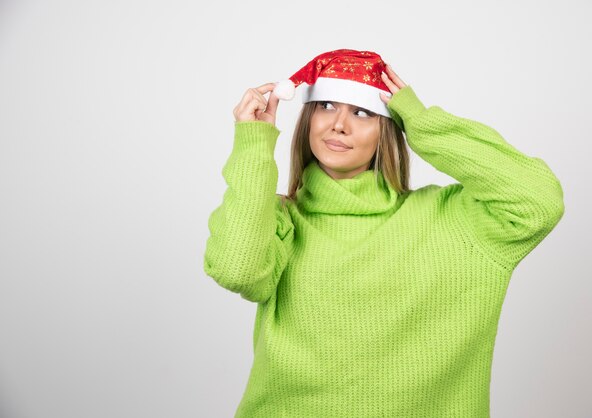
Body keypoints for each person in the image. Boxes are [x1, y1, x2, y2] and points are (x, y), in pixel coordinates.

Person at [203, 49, 565, 417]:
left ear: (388, 129)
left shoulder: (452, 221)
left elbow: (537, 202)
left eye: (362, 112)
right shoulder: (280, 222)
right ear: (309, 119)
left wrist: (421, 123)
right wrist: (253, 143)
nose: (338, 125)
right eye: (326, 106)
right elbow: (236, 269)